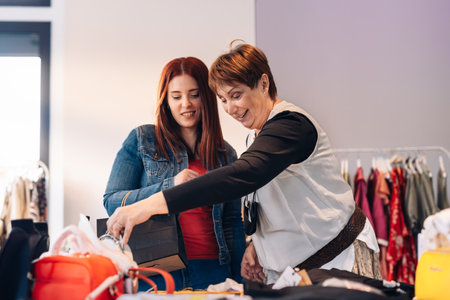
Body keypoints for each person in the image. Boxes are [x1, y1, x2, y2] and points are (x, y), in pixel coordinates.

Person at [106, 42, 381, 285]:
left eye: (236, 96)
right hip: (298, 271)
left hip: (335, 260)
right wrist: (258, 246)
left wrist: (149, 204)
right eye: (223, 100)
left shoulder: (291, 126)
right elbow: (261, 203)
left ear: (263, 84)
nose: (230, 108)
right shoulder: (255, 138)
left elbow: (241, 176)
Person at [103, 57, 246, 290]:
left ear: (206, 97)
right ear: (166, 101)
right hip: (159, 273)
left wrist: (241, 282)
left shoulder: (225, 153)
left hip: (215, 271)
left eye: (194, 94)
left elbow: (231, 223)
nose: (185, 104)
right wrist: (171, 186)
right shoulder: (142, 141)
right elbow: (112, 203)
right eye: (176, 96)